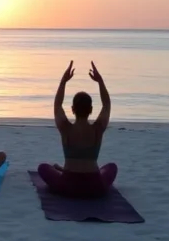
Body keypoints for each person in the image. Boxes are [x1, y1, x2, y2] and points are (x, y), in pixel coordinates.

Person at [36, 61, 118, 198]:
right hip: (95, 187)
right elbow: (106, 105)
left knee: (43, 168)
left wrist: (64, 81)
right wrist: (100, 81)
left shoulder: (65, 128)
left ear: (73, 109)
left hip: (68, 185)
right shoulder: (97, 129)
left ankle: (62, 170)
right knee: (112, 167)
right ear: (91, 110)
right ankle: (63, 170)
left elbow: (57, 105)